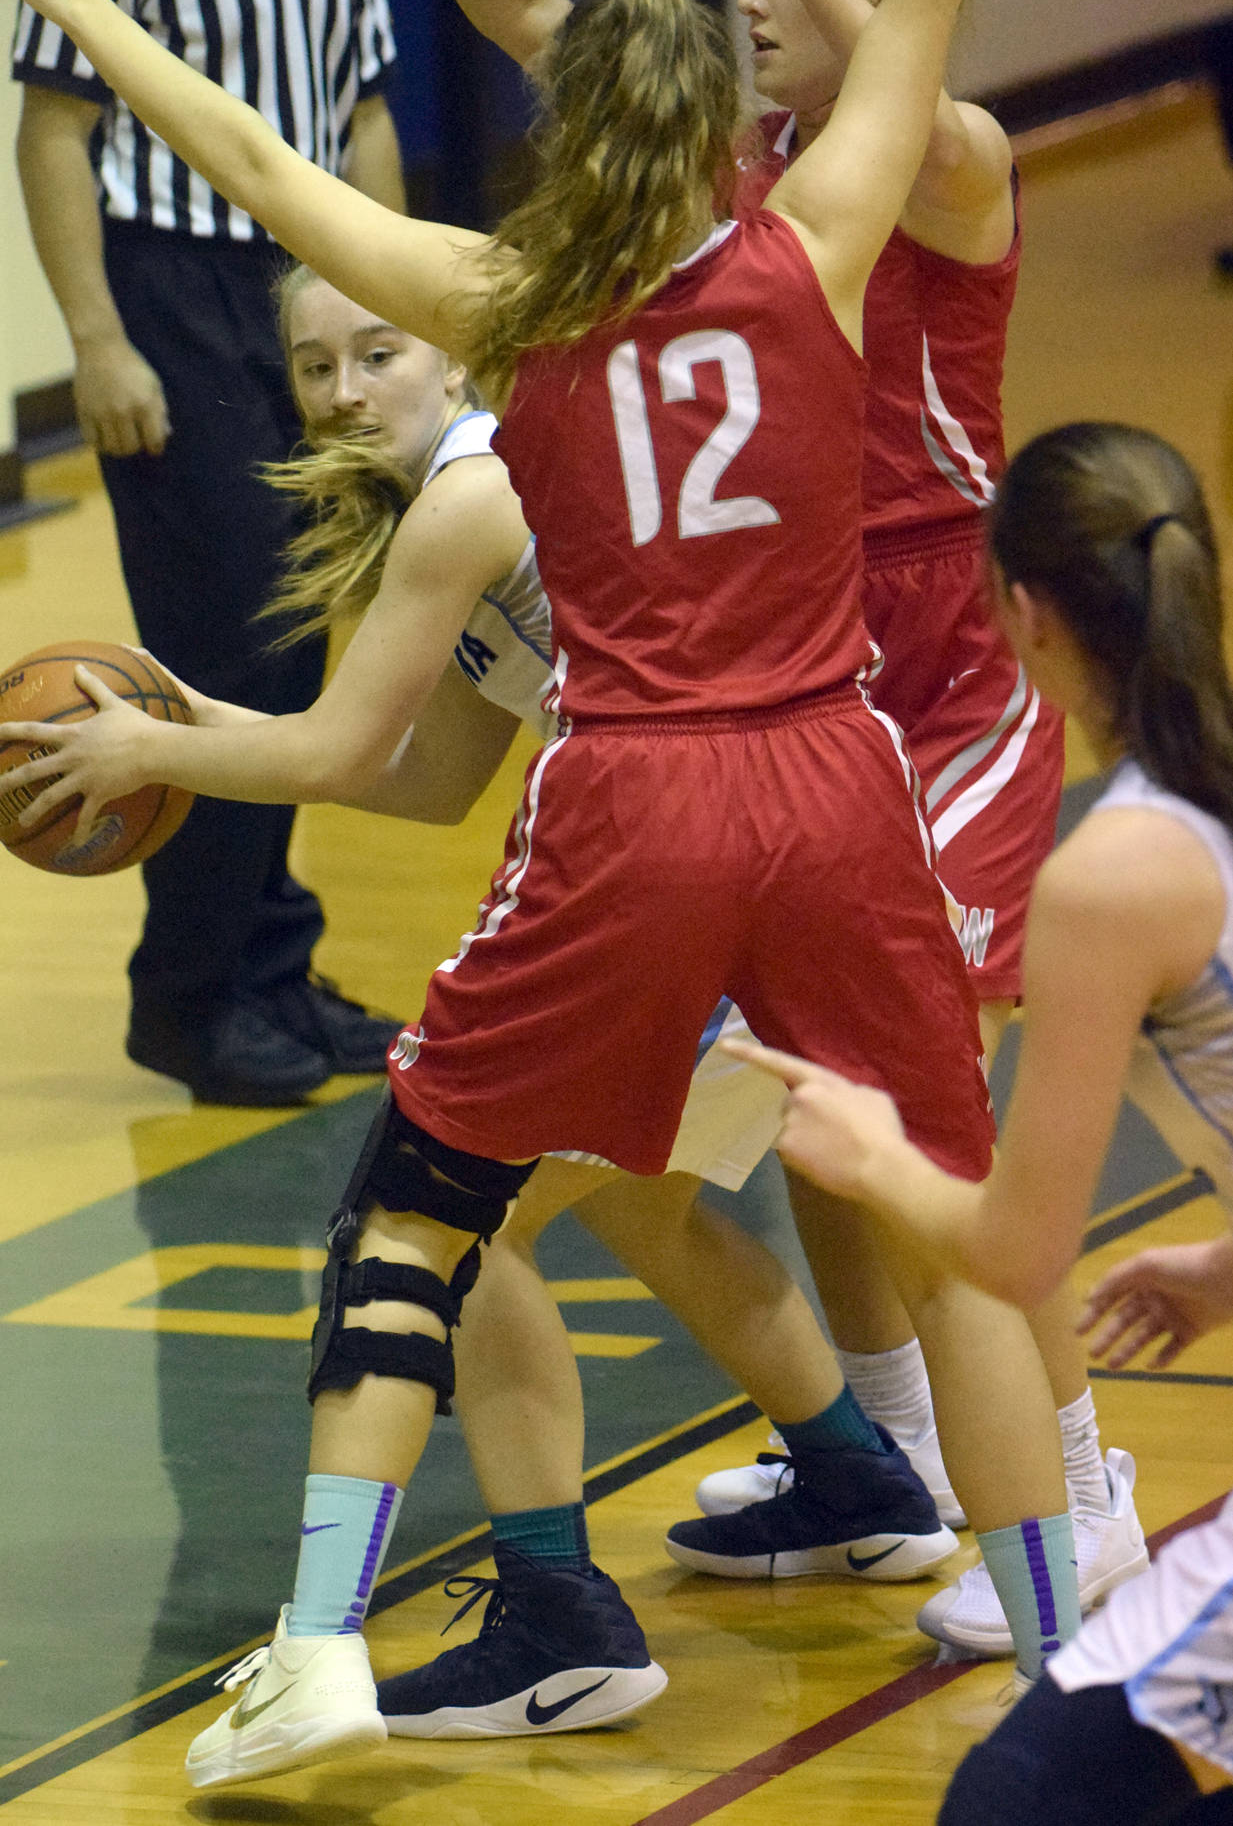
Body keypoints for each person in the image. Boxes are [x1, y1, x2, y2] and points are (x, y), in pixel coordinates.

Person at [0, 0, 1068, 1789]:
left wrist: (83, 20)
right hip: (830, 770)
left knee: (421, 1193)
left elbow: (260, 164)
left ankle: (318, 1637)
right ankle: (1069, 1654)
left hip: (639, 787)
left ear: (566, 130)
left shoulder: (500, 304)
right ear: (717, 136)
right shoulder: (817, 238)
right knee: (957, 1234)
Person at [314, 0, 1141, 1648]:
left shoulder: (923, 169)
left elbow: (916, 20)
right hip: (782, 722)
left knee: (891, 1148)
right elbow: (526, 7)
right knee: (817, 1132)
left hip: (919, 724)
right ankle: (895, 1465)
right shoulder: (744, 186)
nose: (750, 9)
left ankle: (1076, 1489)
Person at [7, 262, 957, 1735]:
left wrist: (153, 760)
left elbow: (328, 760)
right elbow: (421, 774)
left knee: (462, 1234)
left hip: (708, 880)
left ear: (456, 352)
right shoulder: (477, 495)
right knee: (633, 1199)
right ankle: (853, 1474)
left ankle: (553, 1611)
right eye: (314, 368)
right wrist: (192, 728)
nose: (343, 391)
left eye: (377, 350)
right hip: (786, 861)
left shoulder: (484, 486)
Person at [720, 418, 1233, 1822]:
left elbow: (1013, 1251)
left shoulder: (1116, 876)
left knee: (1011, 1808)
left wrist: (875, 1156)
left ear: (1018, 611)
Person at [9, 0, 406, 1104]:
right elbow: (53, 132)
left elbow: (364, 112)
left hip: (308, 300)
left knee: (303, 640)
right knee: (225, 641)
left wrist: (394, 323)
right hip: (170, 292)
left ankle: (273, 969)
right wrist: (97, 337)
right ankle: (186, 1002)